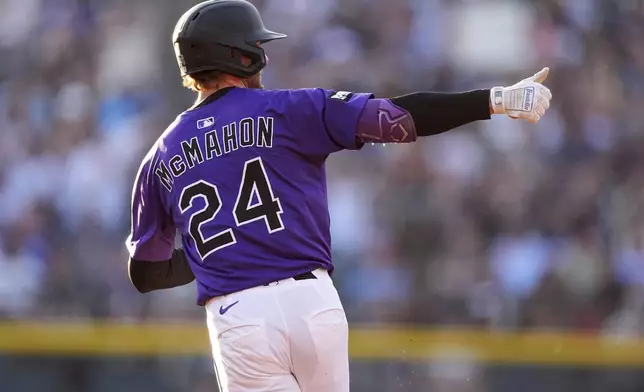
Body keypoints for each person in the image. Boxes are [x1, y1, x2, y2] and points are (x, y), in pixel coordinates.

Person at [125, 0, 552, 391]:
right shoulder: (291, 109)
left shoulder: (159, 156)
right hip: (312, 303)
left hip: (238, 317)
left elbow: (146, 273)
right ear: (241, 55)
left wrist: (214, 248)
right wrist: (494, 100)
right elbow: (398, 117)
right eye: (257, 46)